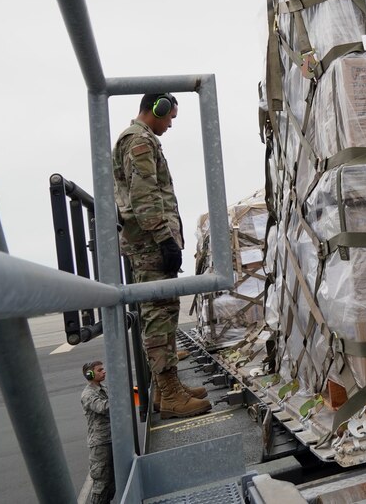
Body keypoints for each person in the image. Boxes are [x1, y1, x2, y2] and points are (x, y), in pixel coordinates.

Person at [112, 93, 210, 419]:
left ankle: (170, 388)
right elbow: (144, 194)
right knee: (157, 314)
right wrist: (163, 238)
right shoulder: (138, 141)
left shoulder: (143, 140)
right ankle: (169, 394)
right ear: (158, 108)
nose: (169, 124)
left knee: (166, 310)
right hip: (150, 243)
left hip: (153, 241)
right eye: (169, 117)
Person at [81, 361, 115, 504]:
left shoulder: (103, 388)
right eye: (100, 370)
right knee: (101, 484)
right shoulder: (88, 394)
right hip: (100, 443)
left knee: (111, 484)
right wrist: (121, 397)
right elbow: (102, 407)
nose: (104, 371)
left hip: (111, 438)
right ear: (90, 374)